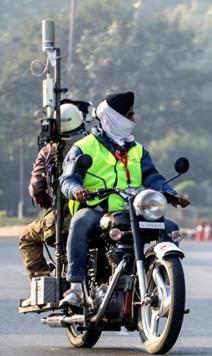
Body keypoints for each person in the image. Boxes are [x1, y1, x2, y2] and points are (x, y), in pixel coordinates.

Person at [59, 92, 190, 307]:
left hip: (133, 210)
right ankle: (76, 288)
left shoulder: (137, 150)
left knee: (170, 227)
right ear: (115, 118)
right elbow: (68, 179)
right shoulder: (84, 147)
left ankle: (164, 279)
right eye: (129, 115)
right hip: (97, 208)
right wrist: (77, 190)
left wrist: (172, 194)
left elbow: (152, 177)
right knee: (80, 222)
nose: (133, 121)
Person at [18, 102, 88, 286]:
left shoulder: (50, 150)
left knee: (27, 237)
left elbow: (37, 189)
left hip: (64, 216)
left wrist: (49, 206)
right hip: (99, 211)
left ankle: (44, 280)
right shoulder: (95, 144)